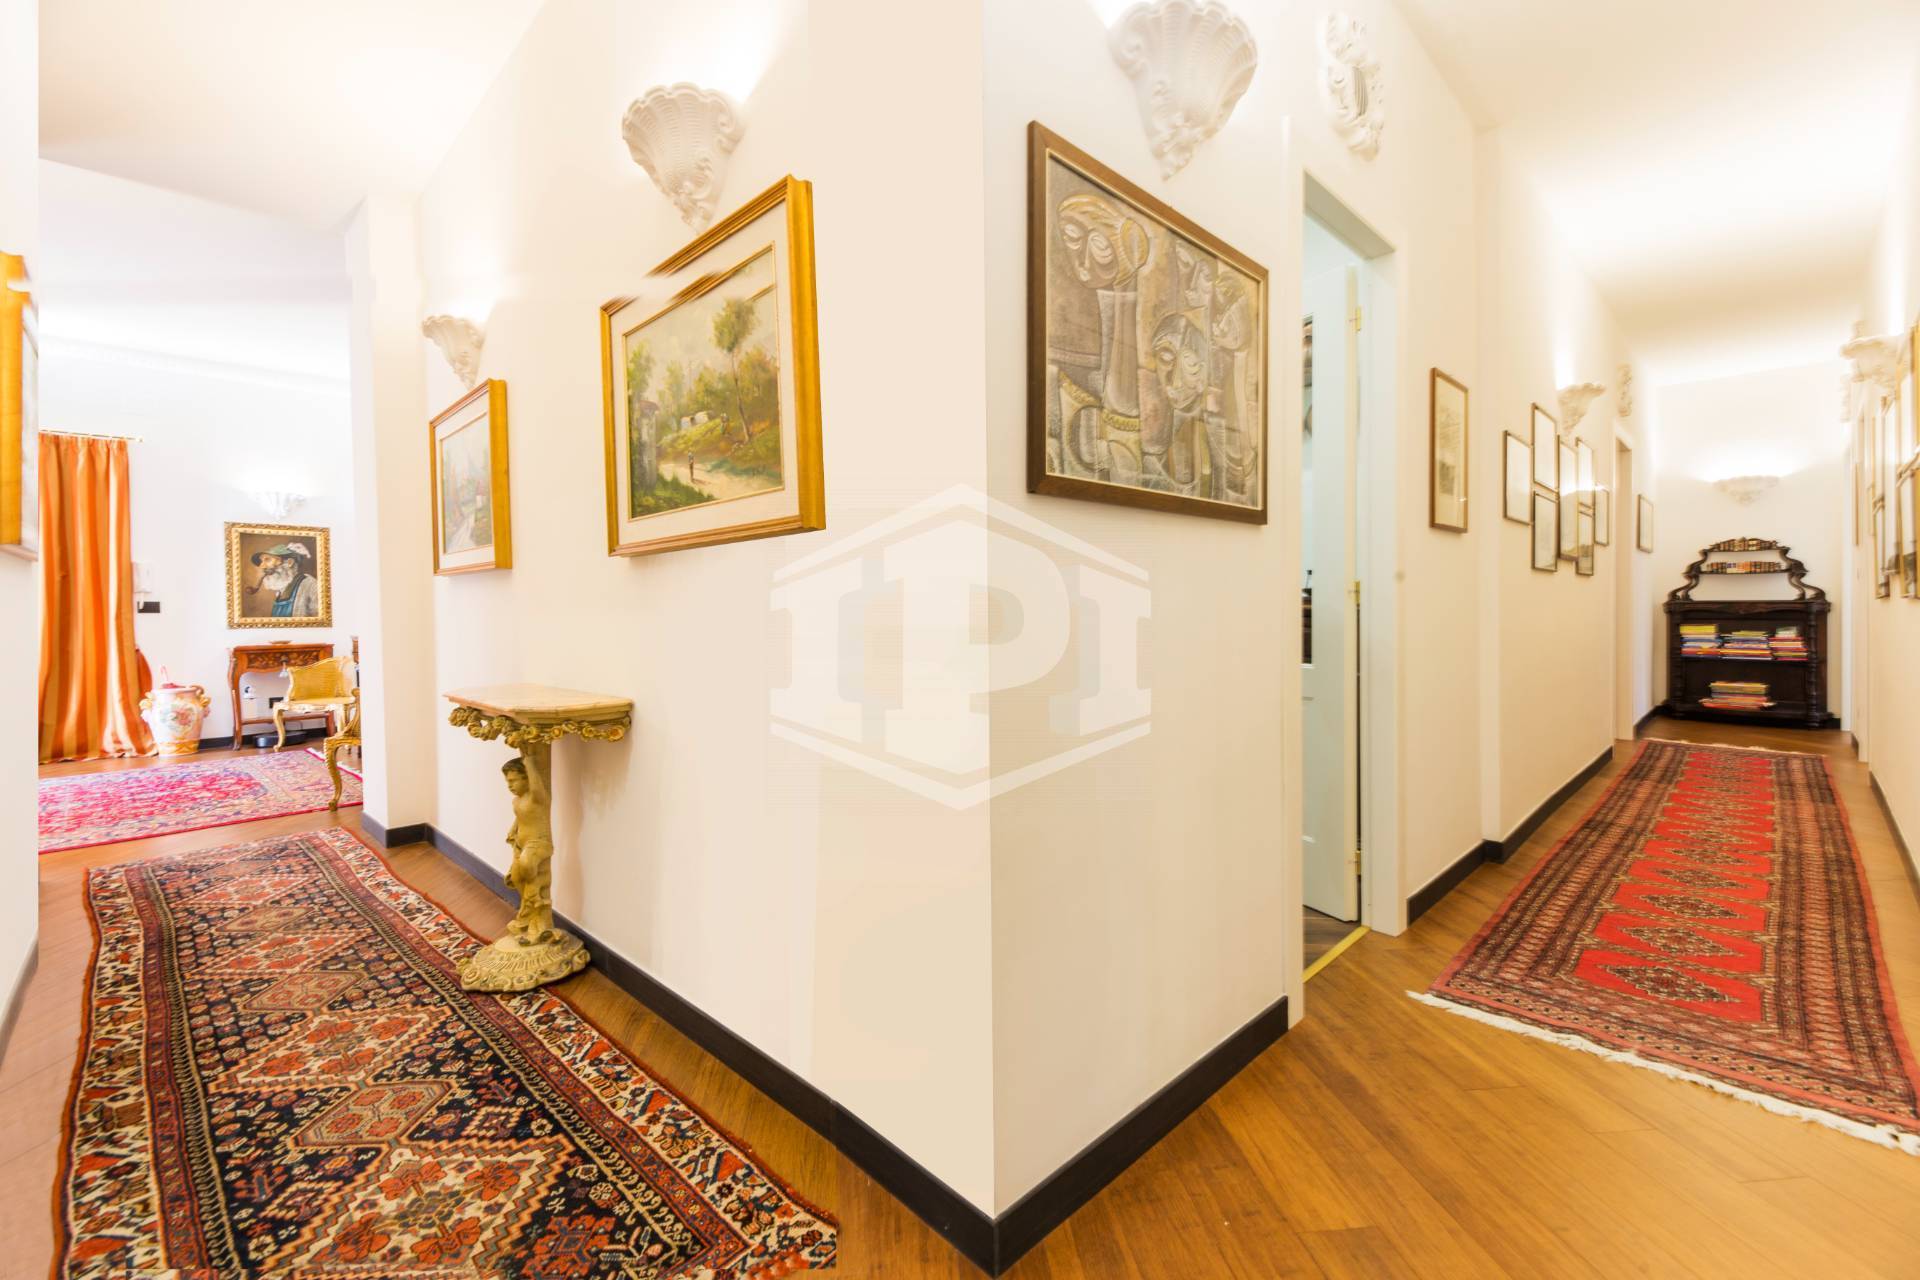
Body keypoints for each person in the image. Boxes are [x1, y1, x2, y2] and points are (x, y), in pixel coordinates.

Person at [248, 541, 320, 618]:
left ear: (289, 562)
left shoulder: (309, 583)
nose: (262, 566)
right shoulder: (281, 591)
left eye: (267, 560)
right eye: (261, 562)